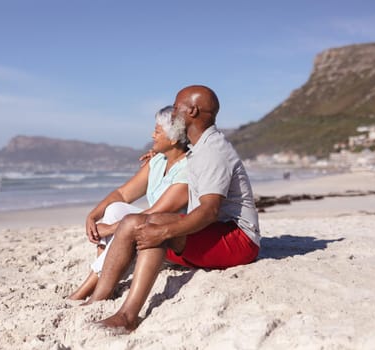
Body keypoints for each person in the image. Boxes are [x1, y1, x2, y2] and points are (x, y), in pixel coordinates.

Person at [84, 85, 261, 331]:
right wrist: (159, 152)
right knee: (132, 222)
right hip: (215, 230)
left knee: (157, 226)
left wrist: (166, 233)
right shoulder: (200, 145)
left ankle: (127, 317)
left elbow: (210, 211)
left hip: (239, 239)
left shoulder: (212, 152)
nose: (173, 112)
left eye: (176, 107)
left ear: (193, 111)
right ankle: (96, 299)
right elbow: (179, 151)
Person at [68, 106, 190, 300]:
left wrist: (109, 229)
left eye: (157, 131)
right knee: (115, 208)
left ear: (174, 138)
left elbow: (156, 212)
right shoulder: (158, 161)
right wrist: (93, 216)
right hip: (152, 229)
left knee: (125, 221)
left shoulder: (188, 168)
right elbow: (122, 194)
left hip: (172, 241)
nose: (152, 135)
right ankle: (105, 279)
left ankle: (88, 288)